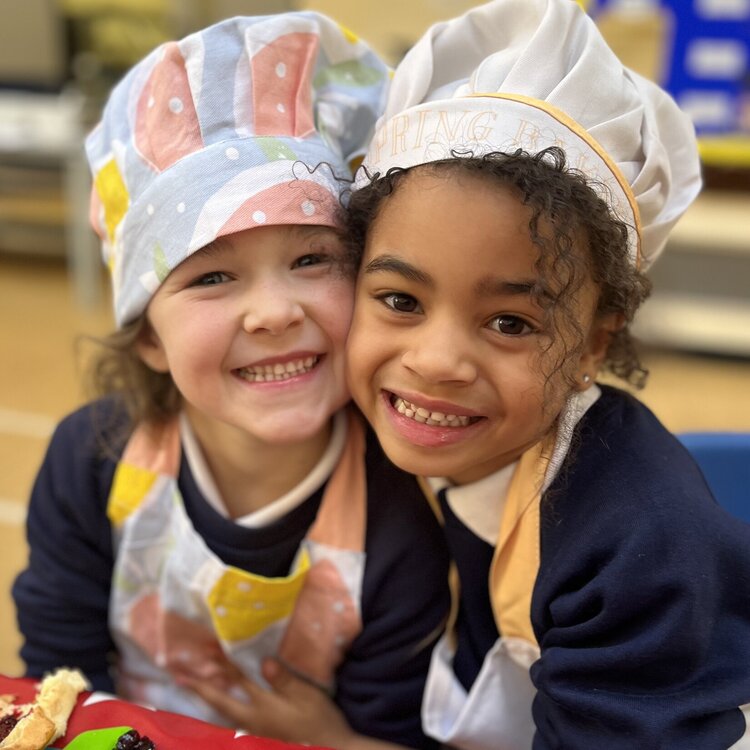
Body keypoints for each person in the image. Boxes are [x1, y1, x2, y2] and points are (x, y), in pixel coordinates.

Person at [12, 13, 450, 750]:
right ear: (149, 335)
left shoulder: (402, 506)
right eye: (213, 276)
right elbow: (58, 690)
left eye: (313, 259)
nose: (275, 312)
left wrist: (327, 737)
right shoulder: (91, 459)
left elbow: (394, 732)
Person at [335, 0, 750, 746]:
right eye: (400, 300)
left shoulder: (636, 548)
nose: (435, 361)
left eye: (510, 323)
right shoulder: (385, 440)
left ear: (594, 344)